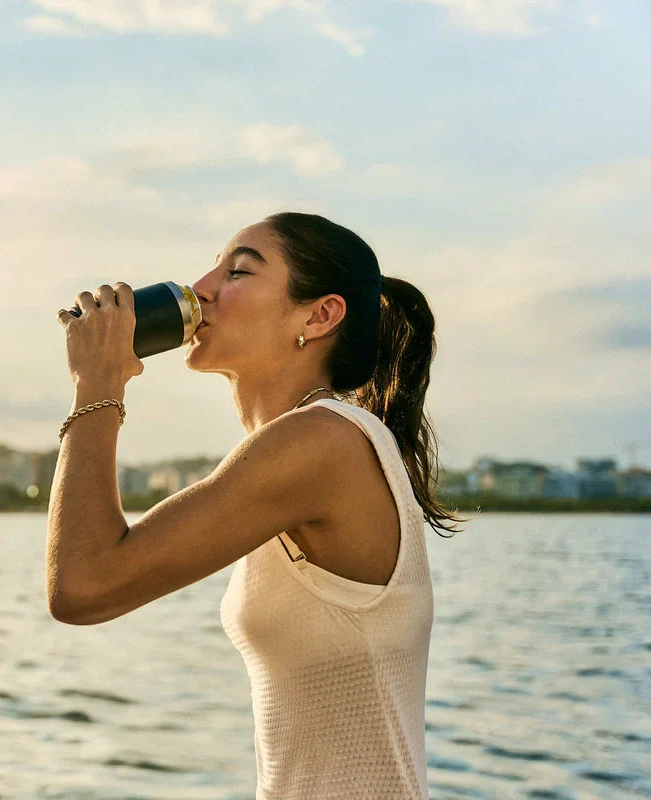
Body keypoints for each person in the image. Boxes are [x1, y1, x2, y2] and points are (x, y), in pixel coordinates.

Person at [48, 212, 461, 800]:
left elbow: (84, 585)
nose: (203, 287)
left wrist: (98, 383)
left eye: (238, 271)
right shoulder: (304, 446)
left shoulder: (323, 442)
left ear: (319, 316)